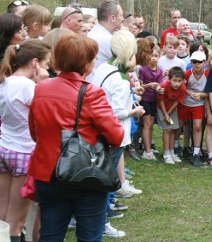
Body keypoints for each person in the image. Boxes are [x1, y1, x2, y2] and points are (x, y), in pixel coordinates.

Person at [28, 34, 124, 241]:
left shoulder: (41, 88)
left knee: (50, 235)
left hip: (47, 174)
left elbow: (35, 132)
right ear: (87, 65)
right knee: (89, 236)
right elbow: (116, 136)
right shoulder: (92, 93)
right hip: (84, 173)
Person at [0, 39, 50, 242]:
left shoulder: (5, 82)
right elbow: (44, 115)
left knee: (2, 214)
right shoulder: (30, 87)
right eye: (47, 64)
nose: (48, 68)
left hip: (4, 147)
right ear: (35, 63)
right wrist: (41, 82)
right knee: (16, 221)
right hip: (24, 151)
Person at [92, 30, 145, 206]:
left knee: (103, 172)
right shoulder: (121, 80)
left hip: (98, 129)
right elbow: (116, 112)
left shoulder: (104, 67)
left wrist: (131, 96)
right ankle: (104, 212)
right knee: (107, 174)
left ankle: (109, 203)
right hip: (114, 133)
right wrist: (135, 112)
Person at [180, 50, 209, 167]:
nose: (197, 64)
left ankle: (196, 153)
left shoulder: (208, 74)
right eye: (194, 62)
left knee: (197, 126)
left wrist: (201, 95)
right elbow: (182, 88)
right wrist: (190, 93)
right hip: (186, 103)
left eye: (199, 62)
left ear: (204, 62)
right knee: (181, 124)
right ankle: (178, 148)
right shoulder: (187, 74)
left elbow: (210, 92)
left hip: (199, 104)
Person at [87, 0, 124, 81]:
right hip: (100, 87)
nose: (123, 19)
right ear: (113, 18)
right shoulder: (107, 39)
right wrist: (126, 36)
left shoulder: (94, 32)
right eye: (121, 15)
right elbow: (125, 65)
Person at [138, 45, 163, 160]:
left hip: (154, 99)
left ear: (159, 57)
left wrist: (159, 89)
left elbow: (159, 85)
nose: (153, 58)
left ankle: (147, 146)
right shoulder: (143, 69)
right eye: (151, 55)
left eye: (156, 56)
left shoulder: (160, 70)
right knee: (147, 124)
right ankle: (147, 151)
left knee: (151, 125)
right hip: (144, 99)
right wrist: (149, 85)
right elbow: (140, 86)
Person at [157, 66, 186, 164]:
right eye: (174, 80)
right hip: (162, 108)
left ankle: (171, 152)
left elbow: (176, 102)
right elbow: (160, 100)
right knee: (167, 130)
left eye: (179, 81)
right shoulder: (164, 85)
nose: (177, 83)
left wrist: (168, 114)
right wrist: (165, 115)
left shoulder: (182, 88)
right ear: (170, 79)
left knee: (173, 129)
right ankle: (166, 154)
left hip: (172, 109)